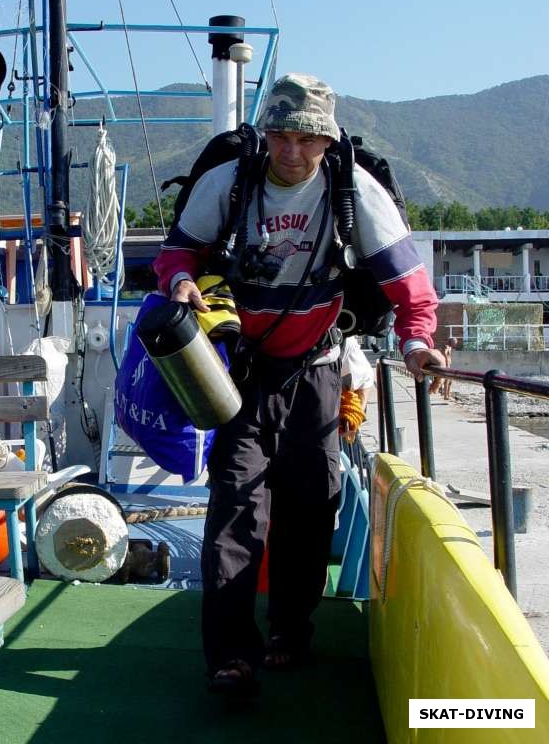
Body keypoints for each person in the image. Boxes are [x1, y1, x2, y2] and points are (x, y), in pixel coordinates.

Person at [152, 73, 444, 696]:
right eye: (281, 136)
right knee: (235, 507)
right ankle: (231, 654)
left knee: (312, 505)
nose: (291, 152)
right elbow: (178, 252)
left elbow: (409, 286)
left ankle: (290, 628)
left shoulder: (352, 193)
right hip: (242, 372)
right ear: (267, 134)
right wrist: (180, 281)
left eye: (307, 140)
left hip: (317, 370)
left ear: (327, 141)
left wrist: (417, 345)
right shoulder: (230, 182)